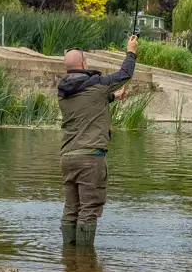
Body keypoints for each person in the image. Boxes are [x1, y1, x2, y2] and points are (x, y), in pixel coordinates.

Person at [57, 36, 138, 246]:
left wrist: (113, 97)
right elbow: (125, 74)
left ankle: (69, 259)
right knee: (88, 210)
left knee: (71, 209)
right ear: (84, 64)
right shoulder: (98, 84)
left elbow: (88, 103)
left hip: (67, 158)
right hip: (90, 159)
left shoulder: (64, 90)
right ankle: (84, 263)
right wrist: (131, 51)